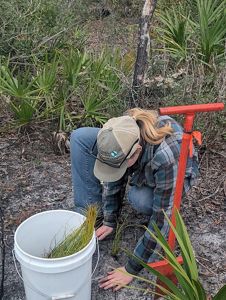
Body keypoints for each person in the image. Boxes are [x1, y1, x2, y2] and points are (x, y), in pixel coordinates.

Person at [70, 108, 199, 291]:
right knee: (80, 137)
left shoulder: (166, 157)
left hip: (176, 172)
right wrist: (109, 219)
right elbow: (113, 177)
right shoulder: (122, 128)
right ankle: (90, 215)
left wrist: (131, 268)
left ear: (136, 152)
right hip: (140, 157)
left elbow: (162, 217)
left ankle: (146, 190)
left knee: (140, 199)